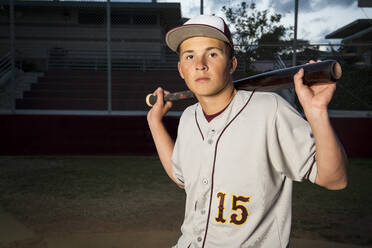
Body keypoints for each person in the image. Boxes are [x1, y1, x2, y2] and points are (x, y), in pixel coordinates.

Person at [147, 15, 347, 248]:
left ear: (232, 64)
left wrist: (316, 112)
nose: (200, 64)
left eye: (212, 53)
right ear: (182, 69)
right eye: (190, 56)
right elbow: (183, 179)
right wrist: (155, 123)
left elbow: (334, 179)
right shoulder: (190, 117)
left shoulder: (269, 109)